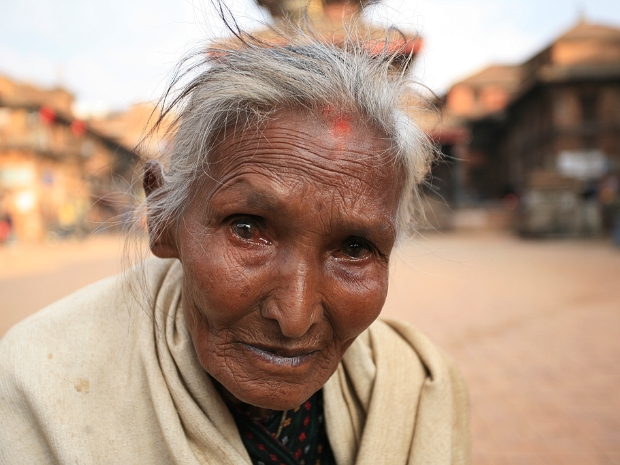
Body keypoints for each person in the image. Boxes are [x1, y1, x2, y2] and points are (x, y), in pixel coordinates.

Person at [0, 26, 470, 465]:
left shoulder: (420, 387)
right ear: (164, 217)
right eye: (247, 229)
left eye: (354, 248)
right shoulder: (40, 382)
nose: (295, 315)